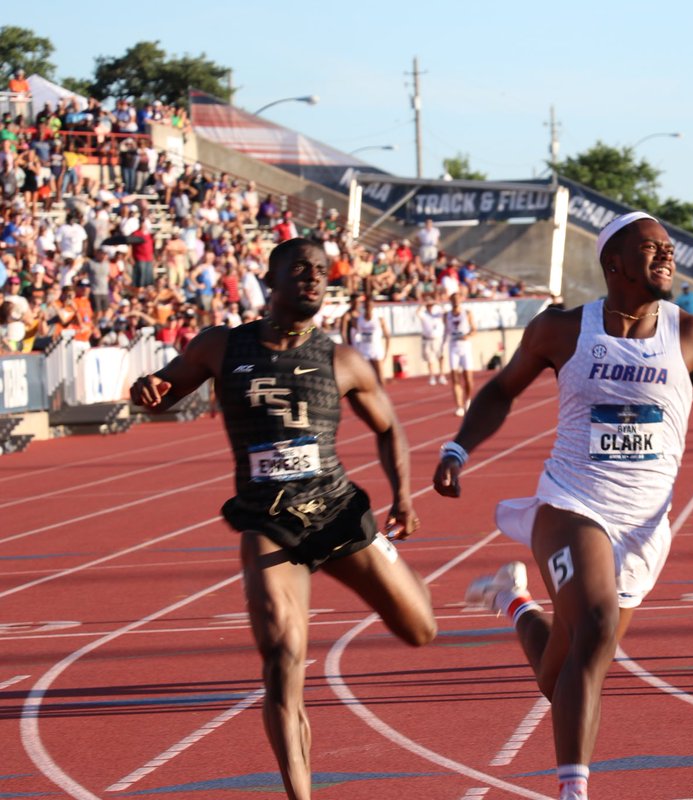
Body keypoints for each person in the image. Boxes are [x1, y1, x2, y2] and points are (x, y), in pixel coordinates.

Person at [434, 212, 693, 800]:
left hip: (645, 525)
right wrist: (456, 446)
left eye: (670, 248)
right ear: (613, 264)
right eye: (653, 249)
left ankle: (511, 599)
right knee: (593, 632)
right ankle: (574, 792)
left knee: (566, 676)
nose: (668, 257)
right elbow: (500, 388)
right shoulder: (563, 330)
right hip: (571, 503)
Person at [130, 238, 436, 800]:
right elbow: (160, 393)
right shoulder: (223, 346)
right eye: (300, 269)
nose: (314, 278)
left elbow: (389, 427)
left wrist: (404, 498)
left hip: (339, 513)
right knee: (281, 659)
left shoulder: (342, 360)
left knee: (422, 630)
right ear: (269, 281)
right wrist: (146, 390)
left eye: (321, 271)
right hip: (268, 521)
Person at [347, 292, 390, 384]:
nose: (368, 308)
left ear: (373, 306)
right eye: (367, 305)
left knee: (381, 379)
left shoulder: (379, 319)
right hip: (364, 351)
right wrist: (355, 347)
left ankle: (381, 396)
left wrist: (386, 353)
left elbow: (388, 336)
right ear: (364, 306)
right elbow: (352, 334)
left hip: (376, 351)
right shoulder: (358, 319)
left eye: (370, 305)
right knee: (366, 380)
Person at [445, 292, 476, 415]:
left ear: (461, 300)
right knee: (454, 377)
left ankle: (468, 400)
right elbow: (445, 332)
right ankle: (459, 405)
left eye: (458, 299)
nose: (455, 302)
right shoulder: (446, 315)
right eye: (453, 300)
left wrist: (468, 335)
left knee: (468, 378)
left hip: (465, 347)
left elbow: (474, 329)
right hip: (453, 346)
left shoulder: (467, 313)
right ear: (450, 301)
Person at [418, 293, 448, 385]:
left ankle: (442, 375)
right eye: (428, 305)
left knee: (441, 357)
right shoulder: (424, 314)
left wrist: (436, 302)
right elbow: (417, 312)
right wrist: (424, 303)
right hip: (428, 339)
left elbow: (445, 312)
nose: (430, 307)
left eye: (431, 305)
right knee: (430, 359)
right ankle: (432, 376)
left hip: (438, 339)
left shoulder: (438, 312)